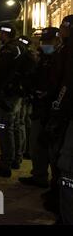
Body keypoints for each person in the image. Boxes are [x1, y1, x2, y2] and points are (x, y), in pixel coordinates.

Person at [18, 27, 59, 189]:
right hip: (39, 107)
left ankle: (56, 184)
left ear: (57, 41)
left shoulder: (61, 58)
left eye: (48, 41)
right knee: (37, 144)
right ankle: (39, 175)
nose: (44, 44)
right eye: (43, 41)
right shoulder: (43, 58)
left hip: (53, 109)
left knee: (54, 150)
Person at [0, 25, 26, 177]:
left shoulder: (9, 49)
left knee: (3, 128)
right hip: (15, 94)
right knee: (14, 126)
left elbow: (1, 73)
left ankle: (5, 164)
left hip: (7, 95)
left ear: (5, 34)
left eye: (0, 34)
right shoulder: (21, 47)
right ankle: (15, 158)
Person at [48, 15, 73, 223]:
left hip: (66, 114)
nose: (60, 30)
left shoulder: (69, 51)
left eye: (64, 27)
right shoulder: (64, 49)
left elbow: (65, 82)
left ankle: (65, 213)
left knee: (66, 164)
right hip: (65, 112)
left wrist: (57, 106)